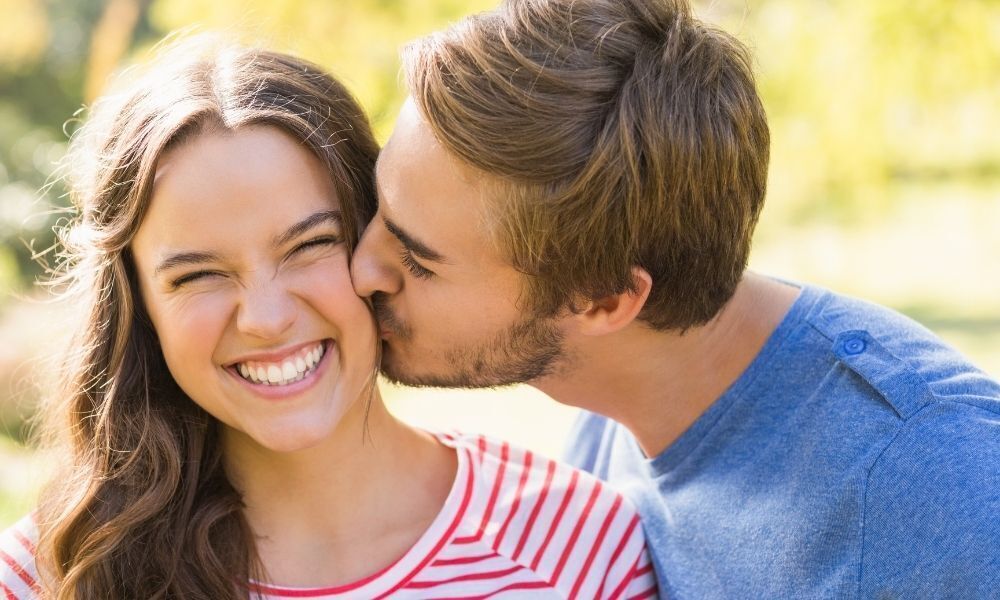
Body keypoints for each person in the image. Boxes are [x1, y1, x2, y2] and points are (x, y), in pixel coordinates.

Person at [349, 0, 1000, 597]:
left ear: (606, 302)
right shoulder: (613, 404)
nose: (361, 270)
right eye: (379, 206)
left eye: (415, 257)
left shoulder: (937, 484)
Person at [0, 38, 657, 599]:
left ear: (377, 241)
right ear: (141, 307)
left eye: (309, 246)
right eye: (198, 275)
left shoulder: (580, 550)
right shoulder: (48, 574)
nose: (264, 318)